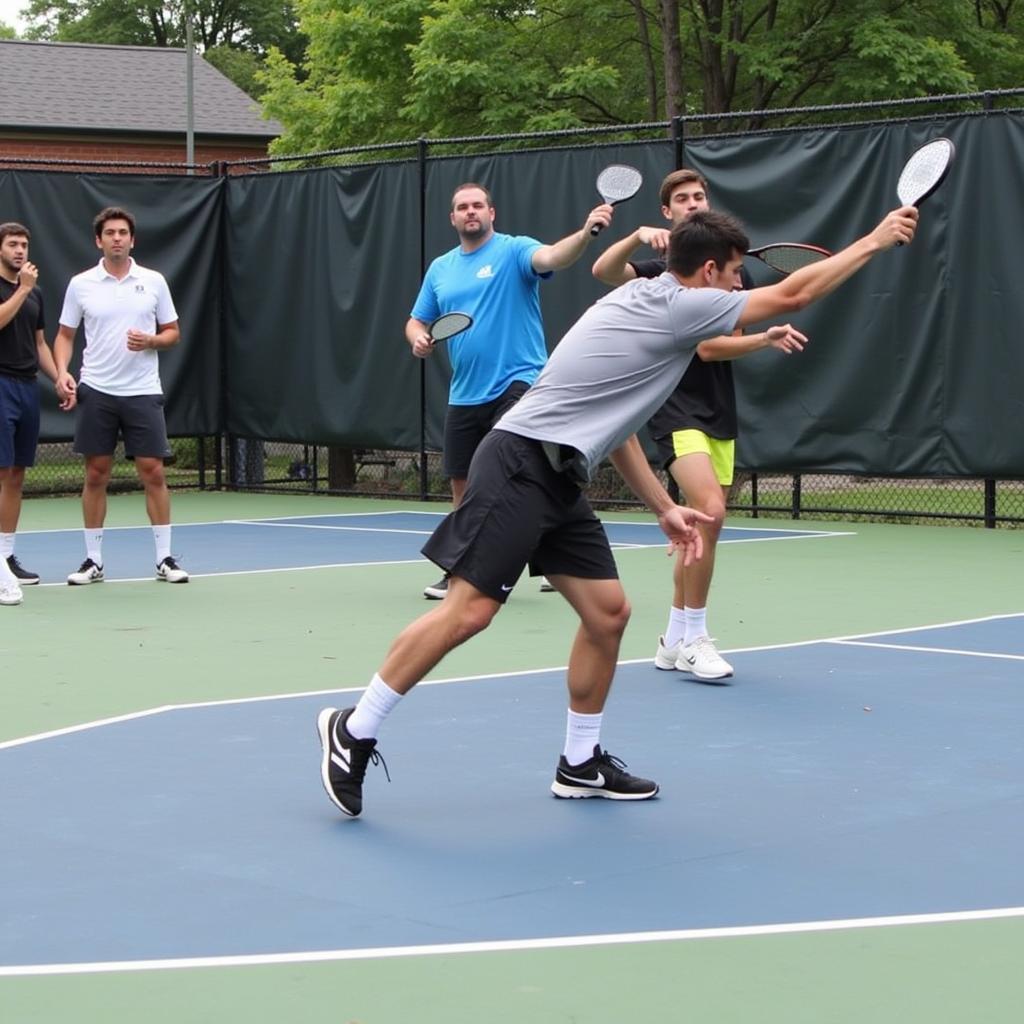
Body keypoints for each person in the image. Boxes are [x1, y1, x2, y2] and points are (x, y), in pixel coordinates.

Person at [316, 204, 918, 818]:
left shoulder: (645, 305)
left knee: (608, 614)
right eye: (736, 273)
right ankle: (355, 729)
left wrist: (661, 506)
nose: (742, 284)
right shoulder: (678, 306)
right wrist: (873, 240)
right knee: (468, 612)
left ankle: (580, 763)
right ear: (708, 272)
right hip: (520, 461)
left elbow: (619, 425)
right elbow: (793, 296)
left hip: (558, 474)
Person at [593, 168, 774, 682]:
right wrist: (634, 234)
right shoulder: (658, 272)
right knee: (710, 513)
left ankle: (674, 639)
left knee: (703, 528)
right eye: (682, 199)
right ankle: (694, 636)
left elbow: (723, 345)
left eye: (699, 195)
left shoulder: (736, 273)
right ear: (668, 213)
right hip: (674, 407)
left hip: (719, 411)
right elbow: (605, 271)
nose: (693, 203)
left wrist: (756, 338)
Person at [407, 182, 613, 599]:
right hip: (465, 393)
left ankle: (554, 561)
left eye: (477, 205)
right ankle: (461, 568)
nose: (470, 212)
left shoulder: (514, 250)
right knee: (463, 484)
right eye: (462, 207)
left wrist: (586, 232)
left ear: (491, 212)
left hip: (520, 382)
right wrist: (417, 337)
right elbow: (417, 319)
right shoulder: (441, 269)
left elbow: (554, 256)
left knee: (520, 470)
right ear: (452, 218)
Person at [53, 206, 189, 585]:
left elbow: (173, 332)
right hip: (96, 389)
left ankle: (164, 559)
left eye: (123, 233)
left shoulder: (154, 282)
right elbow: (65, 335)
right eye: (110, 233)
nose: (117, 238)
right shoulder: (81, 284)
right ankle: (93, 561)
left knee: (154, 471)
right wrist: (63, 372)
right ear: (99, 240)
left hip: (143, 391)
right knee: (96, 473)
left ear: (132, 240)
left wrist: (152, 340)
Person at [0, 222, 63, 605]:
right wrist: (22, 288)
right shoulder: (25, 288)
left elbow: (40, 343)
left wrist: (59, 378)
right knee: (1, 471)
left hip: (26, 388)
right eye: (12, 244)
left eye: (24, 244)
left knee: (17, 474)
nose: (20, 250)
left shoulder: (35, 293)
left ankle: (5, 556)